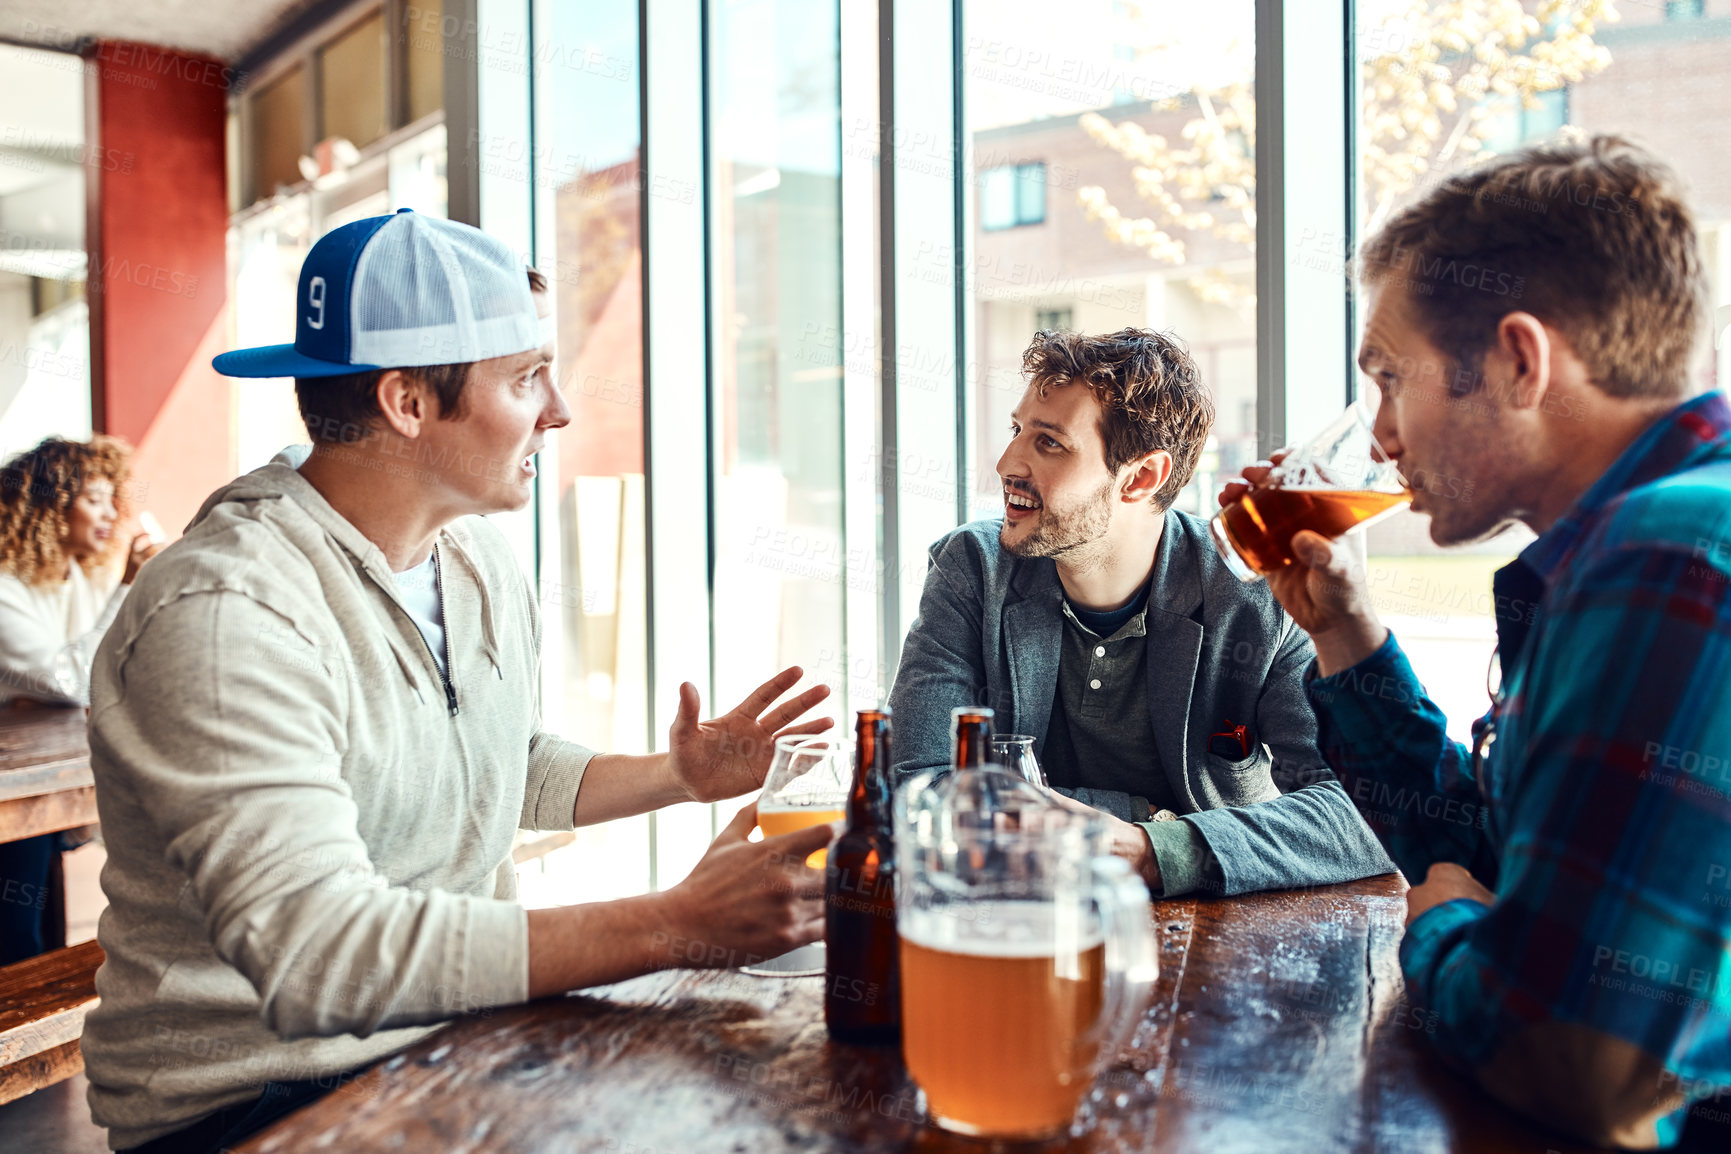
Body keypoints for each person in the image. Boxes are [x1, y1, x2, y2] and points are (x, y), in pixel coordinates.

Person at [82, 209, 835, 1153]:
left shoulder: (471, 553)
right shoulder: (225, 610)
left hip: (455, 1041)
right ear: (406, 402)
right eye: (525, 378)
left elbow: (493, 764)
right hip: (253, 1102)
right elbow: (320, 956)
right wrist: (677, 923)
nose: (558, 410)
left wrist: (675, 777)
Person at [1223, 136, 1731, 1148]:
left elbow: (1576, 1059)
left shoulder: (1669, 558)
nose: (1379, 434)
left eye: (1389, 377)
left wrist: (1446, 920)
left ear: (1518, 359)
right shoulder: (1637, 541)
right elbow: (1489, 851)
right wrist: (1345, 632)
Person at [887, 327, 1391, 897]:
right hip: (1020, 927)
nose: (1007, 462)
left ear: (1141, 478)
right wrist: (1142, 817)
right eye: (1016, 431)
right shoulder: (974, 570)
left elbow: (1367, 812)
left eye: (1049, 442)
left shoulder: (1255, 592)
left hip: (1215, 941)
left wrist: (1155, 851)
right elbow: (916, 790)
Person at [0, 435, 157, 964]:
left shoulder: (69, 578)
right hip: (11, 788)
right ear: (46, 505)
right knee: (17, 940)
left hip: (45, 780)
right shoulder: (4, 591)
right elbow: (73, 678)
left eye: (114, 498)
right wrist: (129, 590)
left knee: (40, 930)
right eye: (95, 498)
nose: (113, 513)